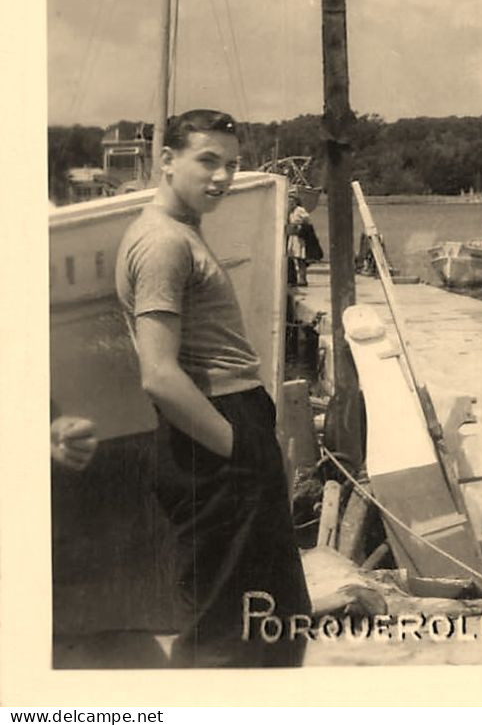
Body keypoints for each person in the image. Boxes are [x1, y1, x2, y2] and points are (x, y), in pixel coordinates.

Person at [116, 108, 311, 666]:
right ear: (167, 161)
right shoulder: (162, 243)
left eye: (232, 165)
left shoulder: (181, 232)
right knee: (229, 638)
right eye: (208, 161)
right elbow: (159, 374)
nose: (222, 177)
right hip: (213, 441)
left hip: (226, 427)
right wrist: (239, 449)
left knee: (270, 624)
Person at [286, 198, 311, 286]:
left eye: (292, 201)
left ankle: (302, 279)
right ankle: (293, 279)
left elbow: (307, 218)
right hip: (292, 236)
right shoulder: (289, 211)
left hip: (298, 236)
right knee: (291, 257)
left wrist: (299, 225)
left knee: (301, 258)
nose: (290, 203)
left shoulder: (300, 210)